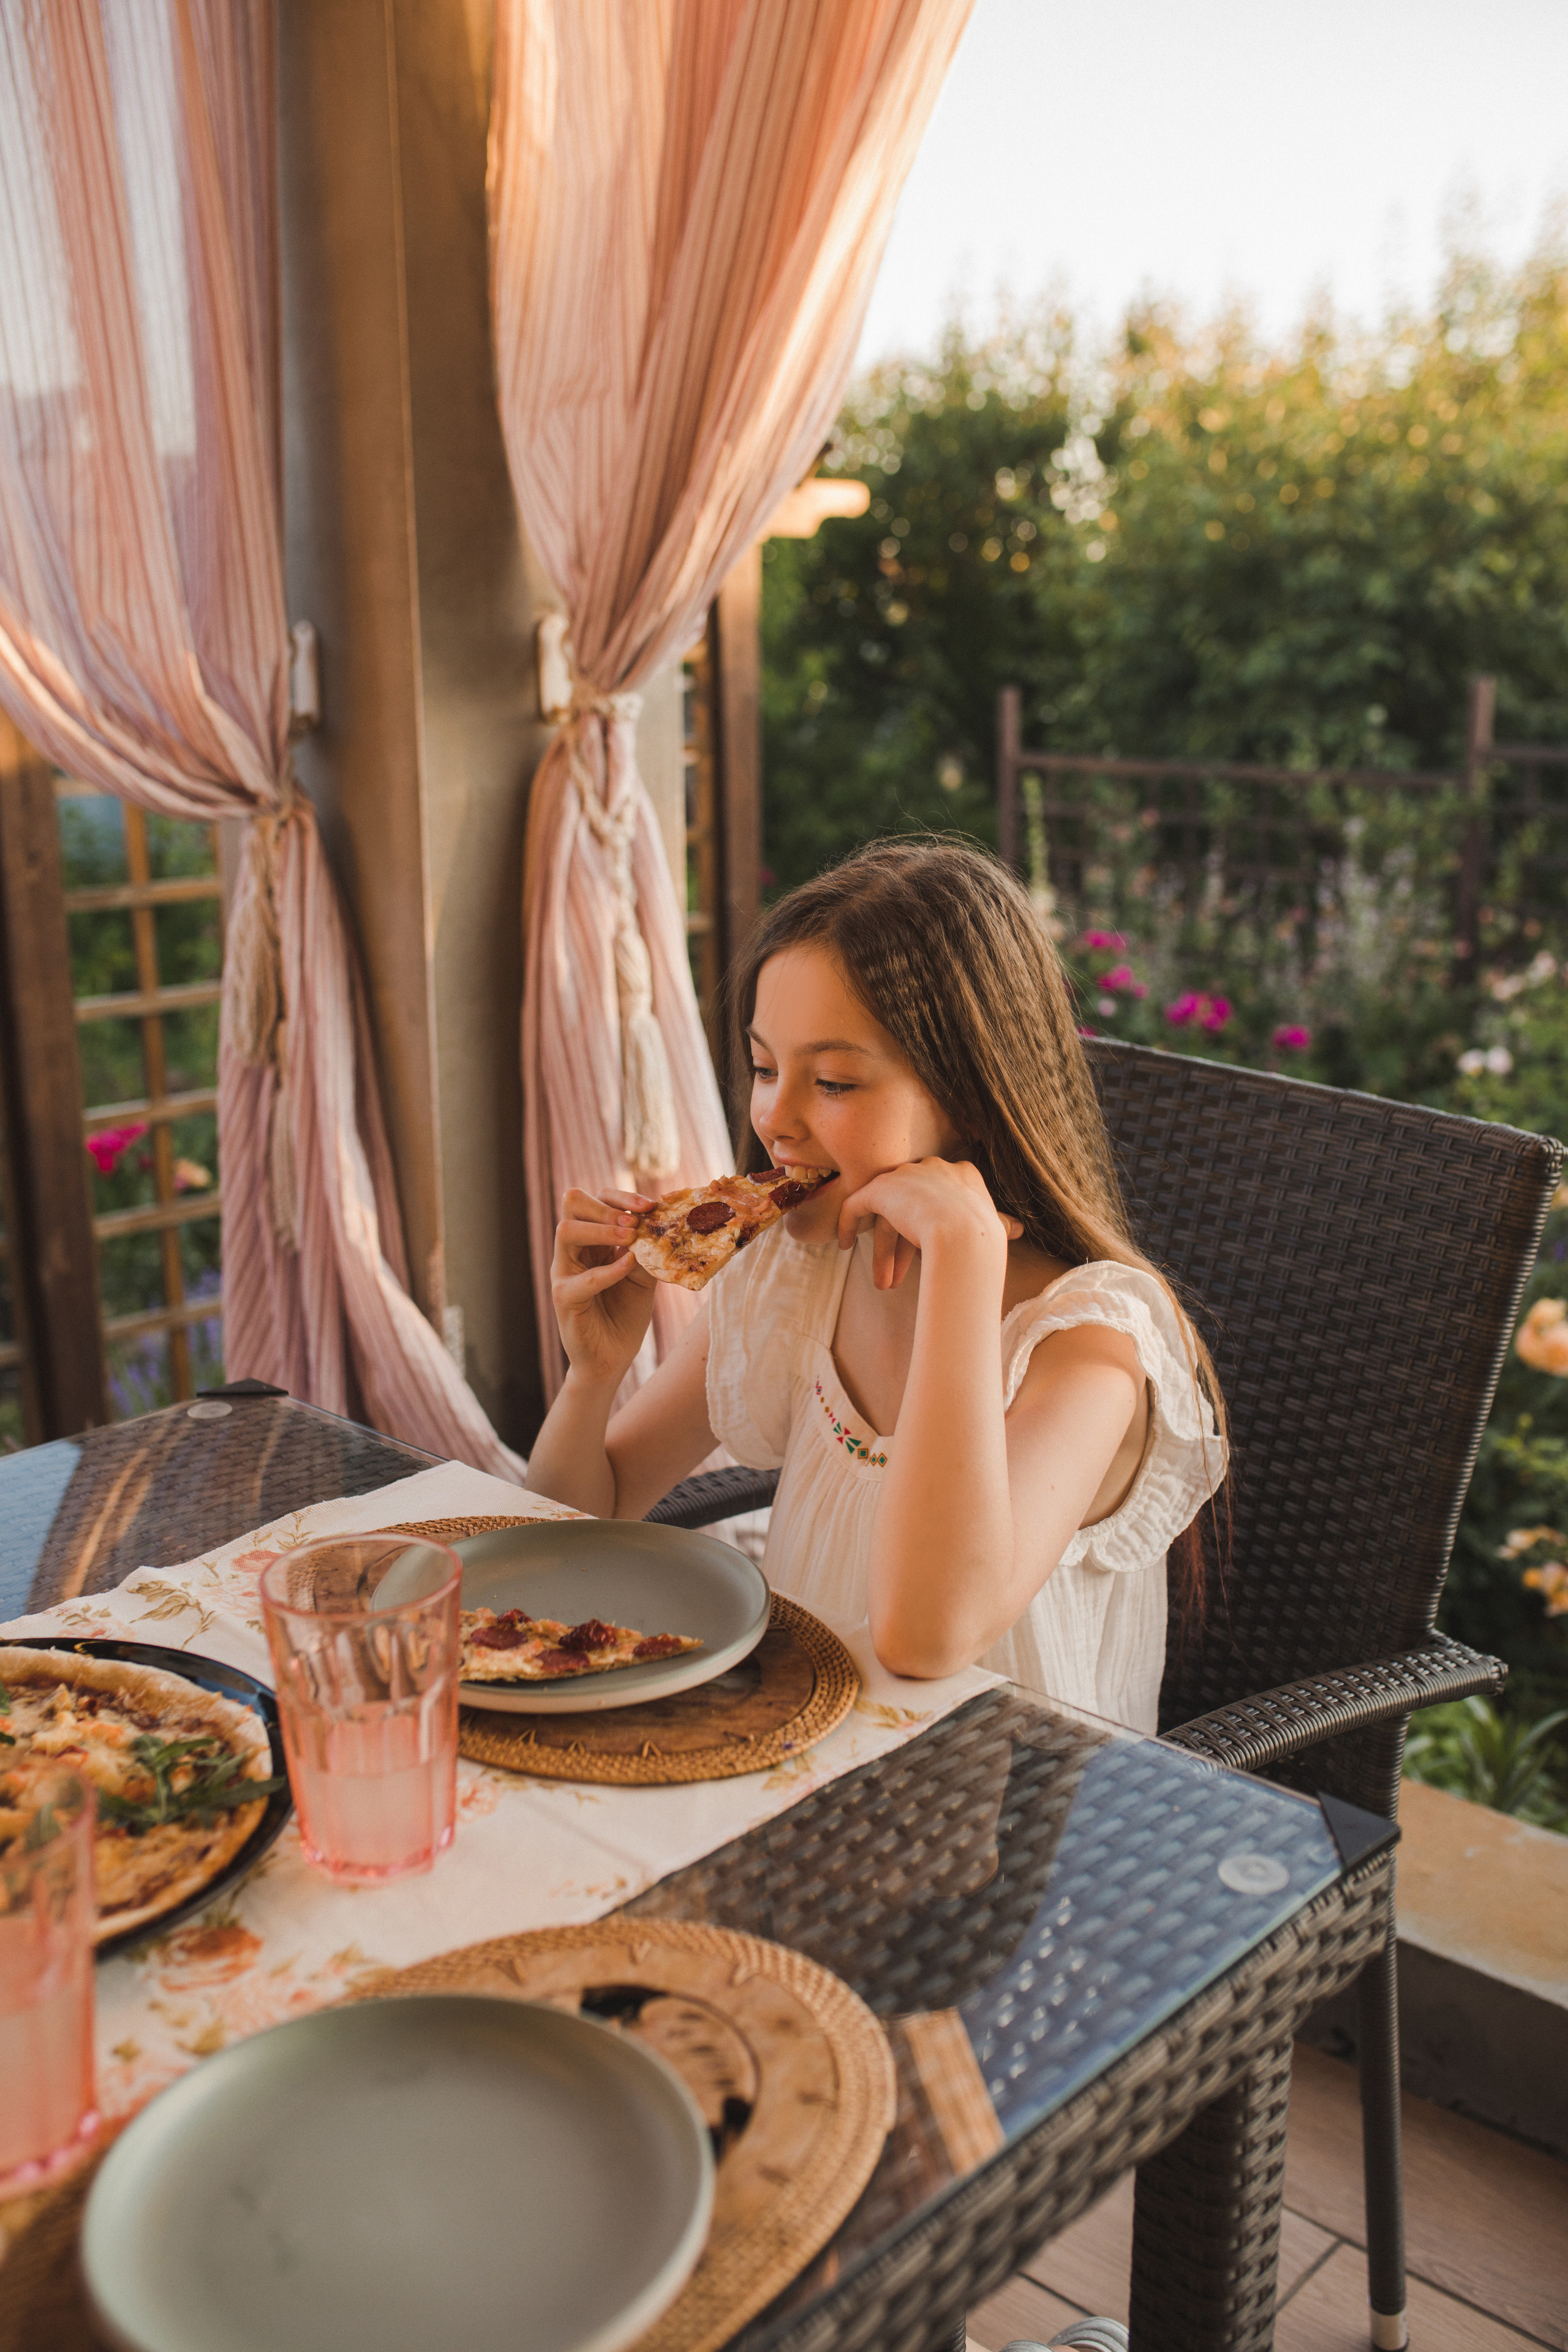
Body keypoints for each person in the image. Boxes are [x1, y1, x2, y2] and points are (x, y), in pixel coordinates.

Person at [526, 839, 1226, 1733]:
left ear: (970, 1097)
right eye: (765, 1067)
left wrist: (963, 1268)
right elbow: (574, 1523)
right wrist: (594, 1376)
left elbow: (927, 1638)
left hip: (1025, 1820)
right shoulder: (801, 1275)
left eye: (833, 1081)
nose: (775, 1119)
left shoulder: (1091, 1345)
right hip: (801, 1756)